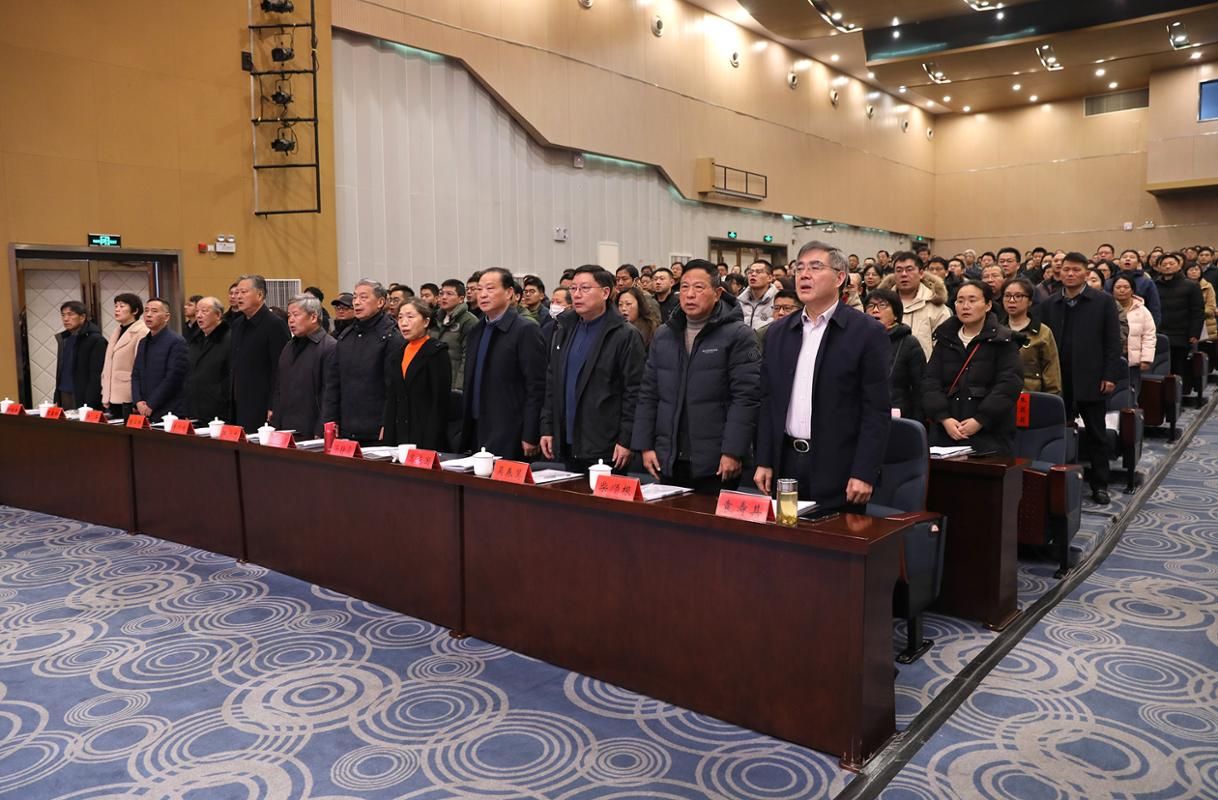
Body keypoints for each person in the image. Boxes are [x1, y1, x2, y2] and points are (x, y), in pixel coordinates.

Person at [754, 242, 890, 512]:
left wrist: (864, 471)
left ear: (840, 278)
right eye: (800, 268)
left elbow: (876, 410)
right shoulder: (778, 332)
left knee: (834, 536)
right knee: (786, 533)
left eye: (816, 268)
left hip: (839, 467)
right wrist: (764, 459)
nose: (804, 275)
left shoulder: (866, 332)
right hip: (786, 463)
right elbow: (769, 400)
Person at [633, 259, 759, 494]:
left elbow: (746, 398)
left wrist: (733, 451)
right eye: (685, 287)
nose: (690, 295)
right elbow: (649, 393)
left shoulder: (739, 335)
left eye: (699, 288)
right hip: (669, 455)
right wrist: (645, 445)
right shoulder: (664, 335)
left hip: (716, 460)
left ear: (717, 293)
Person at [540, 266, 645, 473]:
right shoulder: (564, 329)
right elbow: (553, 383)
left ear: (605, 293)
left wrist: (626, 439)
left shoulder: (624, 335)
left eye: (585, 288)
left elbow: (634, 392)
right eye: (573, 289)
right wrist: (547, 427)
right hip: (568, 440)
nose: (577, 294)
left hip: (606, 444)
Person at [1042, 252, 1124, 505]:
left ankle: (1100, 485)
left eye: (1076, 270)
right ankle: (1059, 484)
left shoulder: (1103, 301)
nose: (1070, 274)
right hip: (1059, 379)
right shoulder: (1050, 303)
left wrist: (1110, 375)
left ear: (1086, 273)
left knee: (1097, 435)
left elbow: (1113, 342)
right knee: (1059, 433)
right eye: (1066, 269)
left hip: (1092, 377)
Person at [922, 281, 1024, 456]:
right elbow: (930, 381)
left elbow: (1009, 385)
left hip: (990, 433)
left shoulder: (1004, 340)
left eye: (972, 300)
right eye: (960, 301)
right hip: (947, 432)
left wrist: (980, 420)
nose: (965, 306)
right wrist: (944, 418)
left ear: (988, 305)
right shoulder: (945, 338)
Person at [461, 267, 547, 459]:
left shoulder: (525, 330)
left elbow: (537, 386)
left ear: (509, 293)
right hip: (477, 425)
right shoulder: (476, 330)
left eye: (490, 288)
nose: (483, 294)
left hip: (511, 428)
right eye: (479, 289)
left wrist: (531, 432)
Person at [332, 279, 401, 444]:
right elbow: (333, 382)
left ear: (380, 302)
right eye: (355, 297)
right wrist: (331, 418)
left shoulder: (391, 337)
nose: (356, 302)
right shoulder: (345, 336)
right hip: (347, 425)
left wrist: (387, 421)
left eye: (363, 297)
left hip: (376, 428)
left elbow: (393, 387)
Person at [383, 298, 451, 451]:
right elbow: (392, 398)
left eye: (410, 317)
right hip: (400, 433)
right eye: (400, 317)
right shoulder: (397, 354)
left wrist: (432, 442)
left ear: (426, 322)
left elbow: (439, 401)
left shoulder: (436, 352)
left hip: (425, 434)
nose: (404, 323)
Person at [229, 274, 292, 432]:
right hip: (237, 401)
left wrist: (273, 404)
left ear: (259, 295)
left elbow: (280, 368)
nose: (238, 297)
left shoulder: (275, 324)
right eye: (237, 292)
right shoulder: (237, 324)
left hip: (261, 403)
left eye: (244, 292)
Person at [271, 294, 338, 439]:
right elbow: (279, 387)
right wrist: (276, 423)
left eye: (296, 315)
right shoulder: (288, 347)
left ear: (313, 317)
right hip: (285, 427)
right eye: (289, 315)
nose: (291, 320)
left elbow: (330, 394)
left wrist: (321, 429)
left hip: (312, 428)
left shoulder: (329, 347)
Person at [865, 288, 925, 422]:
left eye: (882, 305)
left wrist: (918, 422)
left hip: (898, 417)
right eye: (870, 306)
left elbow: (919, 388)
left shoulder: (909, 343)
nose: (875, 310)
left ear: (896, 315)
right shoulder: (857, 341)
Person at [878, 251, 951, 359]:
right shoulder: (880, 304)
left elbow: (943, 349)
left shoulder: (937, 307)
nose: (904, 274)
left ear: (921, 273)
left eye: (909, 270)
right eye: (899, 270)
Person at [130, 298, 189, 422]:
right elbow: (136, 374)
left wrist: (151, 404)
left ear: (166, 317)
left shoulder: (176, 342)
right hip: (143, 409)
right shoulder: (143, 342)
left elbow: (173, 378)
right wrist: (138, 401)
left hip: (168, 410)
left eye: (154, 311)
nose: (148, 314)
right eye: (146, 311)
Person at [1154, 251, 1204, 398]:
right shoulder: (1154, 285)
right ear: (1158, 267)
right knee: (1160, 369)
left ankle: (1177, 399)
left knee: (1179, 368)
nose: (1168, 266)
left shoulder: (1191, 285)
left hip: (1181, 333)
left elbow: (1197, 312)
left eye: (1171, 263)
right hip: (1160, 333)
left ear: (1179, 265)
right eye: (1164, 264)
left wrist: (1194, 334)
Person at [1001, 277, 1062, 395]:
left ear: (1029, 301)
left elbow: (1051, 369)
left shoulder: (1042, 332)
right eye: (1007, 296)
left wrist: (1052, 397)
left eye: (1018, 296)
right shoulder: (997, 330)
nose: (1012, 300)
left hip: (1033, 394)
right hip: (1002, 395)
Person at [100, 293, 149, 420]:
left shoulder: (142, 331)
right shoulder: (117, 331)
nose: (117, 309)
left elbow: (141, 367)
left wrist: (139, 398)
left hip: (128, 394)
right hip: (112, 392)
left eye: (122, 306)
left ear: (135, 311)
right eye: (116, 306)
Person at [183, 296, 231, 424]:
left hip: (219, 408)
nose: (199, 315)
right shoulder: (195, 339)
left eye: (204, 311)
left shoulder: (229, 339)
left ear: (218, 315)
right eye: (197, 311)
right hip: (194, 406)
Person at [53, 301, 106, 409]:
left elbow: (96, 375)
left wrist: (90, 402)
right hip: (63, 393)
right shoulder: (65, 339)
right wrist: (56, 397)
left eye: (70, 314)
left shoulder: (96, 340)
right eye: (63, 315)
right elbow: (61, 371)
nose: (65, 319)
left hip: (83, 396)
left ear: (82, 317)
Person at [430, 279, 478, 391]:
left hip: (454, 381)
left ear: (461, 299)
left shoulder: (469, 321)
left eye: (449, 294)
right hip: (435, 379)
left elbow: (468, 356)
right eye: (441, 293)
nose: (444, 297)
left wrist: (459, 386)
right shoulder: (435, 318)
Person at [1112, 275, 1156, 398]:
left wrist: (1146, 359)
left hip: (1133, 361)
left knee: (1132, 394)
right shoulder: (1106, 307)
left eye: (1126, 287)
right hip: (1112, 359)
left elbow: (1149, 335)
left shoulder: (1142, 311)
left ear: (1132, 290)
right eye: (1118, 287)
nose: (1122, 290)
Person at [1105, 249, 1162, 326]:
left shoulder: (1146, 282)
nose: (1128, 259)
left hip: (1140, 323)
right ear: (1119, 263)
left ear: (1138, 263)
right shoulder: (1109, 282)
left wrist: (1153, 327)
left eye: (1132, 257)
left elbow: (1154, 308)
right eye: (1124, 257)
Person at [739, 260, 777, 330]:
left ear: (770, 278)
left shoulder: (777, 301)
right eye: (750, 272)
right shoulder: (740, 301)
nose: (753, 274)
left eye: (758, 272)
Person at [1185, 262, 1217, 340]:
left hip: (1206, 322)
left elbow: (1211, 307)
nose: (1194, 272)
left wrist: (1197, 314)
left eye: (1196, 269)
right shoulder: (1182, 286)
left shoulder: (1207, 286)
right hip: (1185, 322)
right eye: (1191, 270)